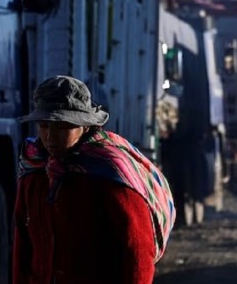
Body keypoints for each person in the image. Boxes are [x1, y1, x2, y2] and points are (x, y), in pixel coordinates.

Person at [12, 75, 175, 284]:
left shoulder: (110, 175)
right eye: (44, 126)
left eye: (62, 127)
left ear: (85, 126)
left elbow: (137, 252)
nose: (50, 136)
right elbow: (22, 244)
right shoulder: (33, 172)